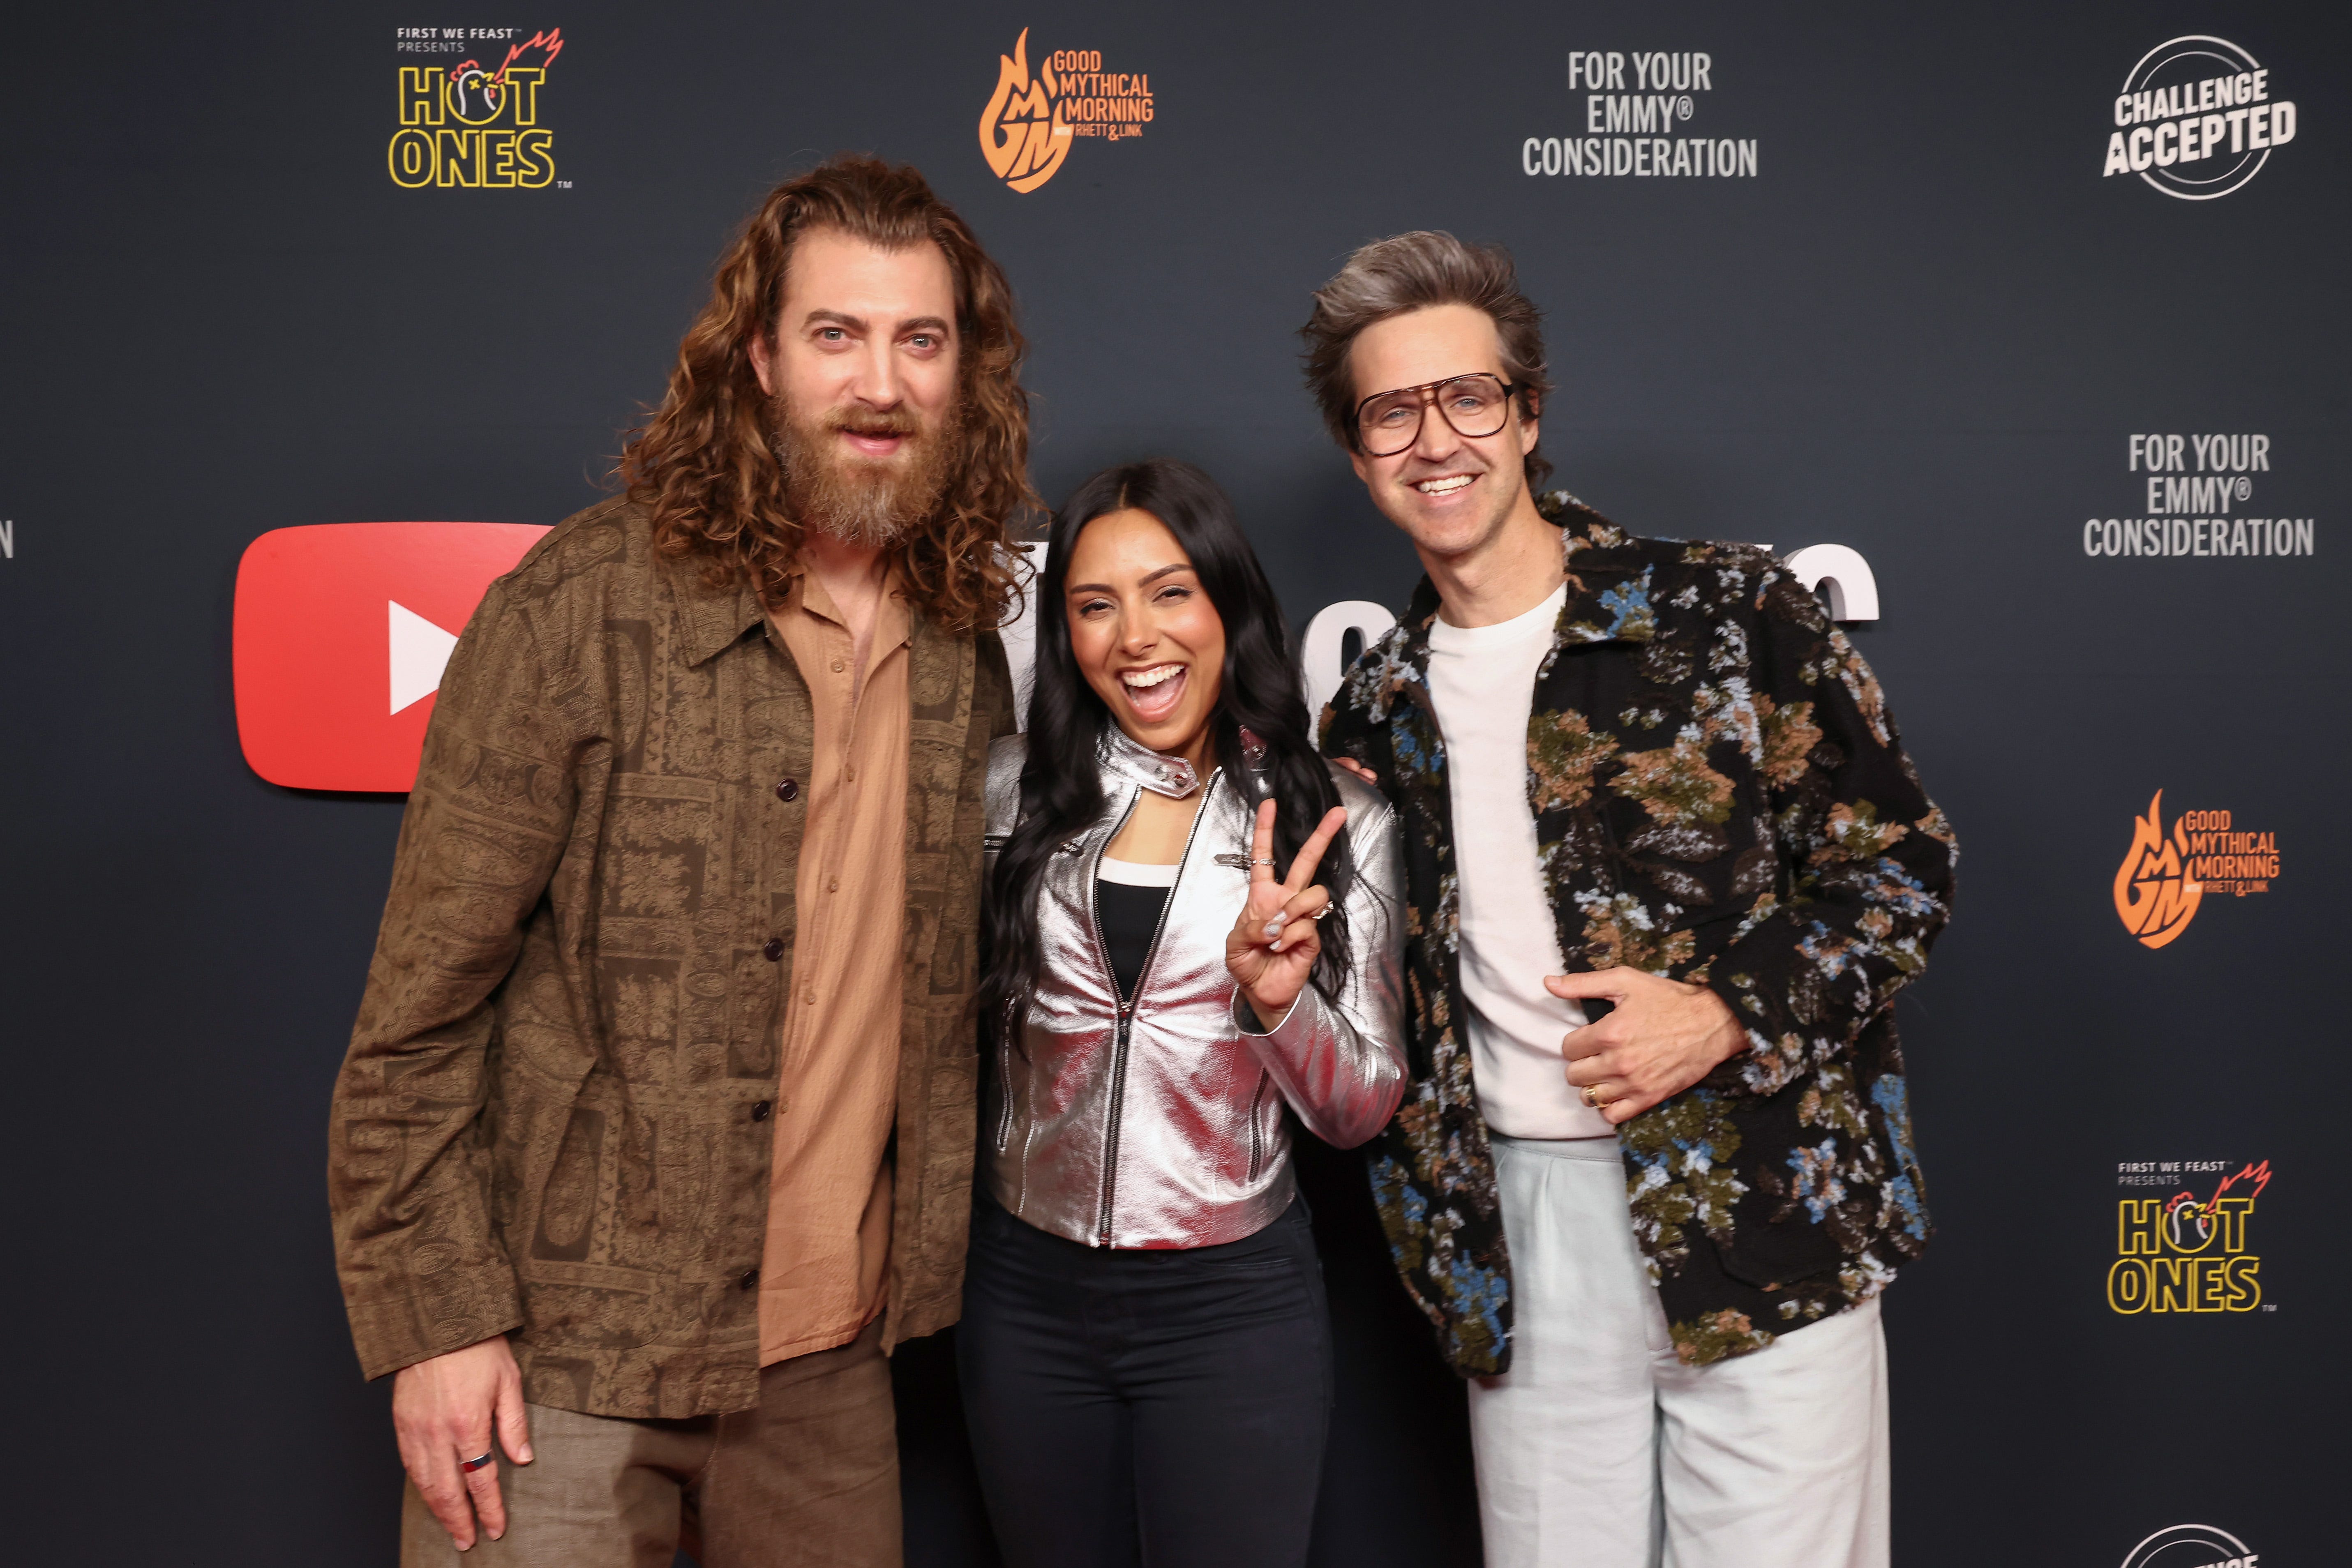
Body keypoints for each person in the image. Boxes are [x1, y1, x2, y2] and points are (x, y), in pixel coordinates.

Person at [326, 154, 1033, 1568]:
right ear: (760, 358)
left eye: (919, 340)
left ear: (966, 373)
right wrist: (437, 1326)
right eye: (835, 334)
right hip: (563, 1356)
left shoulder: (967, 644)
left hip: (828, 1370)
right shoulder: (581, 608)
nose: (879, 384)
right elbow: (415, 1021)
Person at [1303, 232, 1957, 1568]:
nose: (1435, 440)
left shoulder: (1728, 611)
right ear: (1357, 454)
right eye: (1390, 412)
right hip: (1518, 1240)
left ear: (1527, 413)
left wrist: (1723, 1012)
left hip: (1761, 1211)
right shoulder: (1370, 714)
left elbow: (1899, 869)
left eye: (1467, 396)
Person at [958, 458, 1408, 1568]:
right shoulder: (1004, 794)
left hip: (1231, 1304)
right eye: (1094, 605)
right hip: (1023, 1290)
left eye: (1169, 592)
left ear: (1228, 602)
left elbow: (1361, 1108)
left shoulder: (1332, 815)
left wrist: (1279, 1005)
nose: (1135, 638)